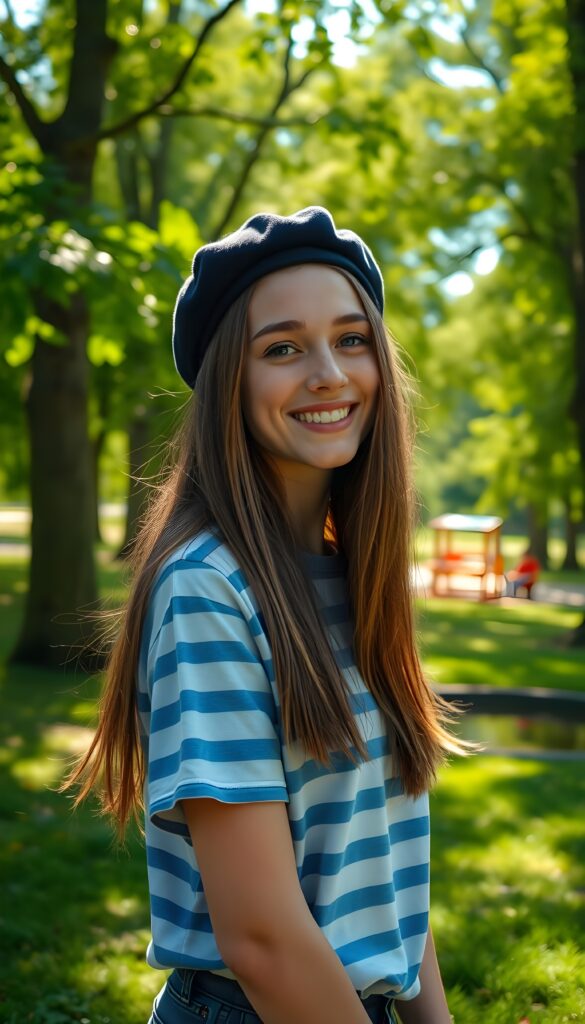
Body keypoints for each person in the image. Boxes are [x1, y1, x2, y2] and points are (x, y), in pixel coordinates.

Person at [65, 207, 470, 1024]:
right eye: (282, 348)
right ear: (230, 383)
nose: (327, 373)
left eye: (351, 339)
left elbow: (383, 874)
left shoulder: (352, 575)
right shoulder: (207, 589)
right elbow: (261, 940)